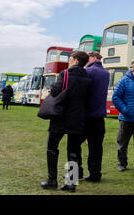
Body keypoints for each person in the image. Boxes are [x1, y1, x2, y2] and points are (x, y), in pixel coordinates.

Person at [40, 51, 92, 193]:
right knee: (73, 150)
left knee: (52, 147)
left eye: (70, 58)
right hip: (78, 118)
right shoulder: (88, 77)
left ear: (75, 61)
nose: (69, 61)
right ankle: (71, 183)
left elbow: (56, 91)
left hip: (61, 117)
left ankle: (52, 180)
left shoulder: (65, 74)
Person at [77, 51, 110, 182]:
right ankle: (95, 174)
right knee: (96, 147)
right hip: (99, 116)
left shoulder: (88, 71)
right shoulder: (106, 73)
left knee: (74, 145)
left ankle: (76, 173)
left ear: (93, 58)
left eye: (88, 58)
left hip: (86, 116)